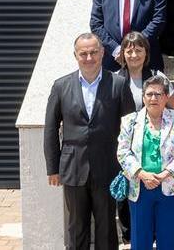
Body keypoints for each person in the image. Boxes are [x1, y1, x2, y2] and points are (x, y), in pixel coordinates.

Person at [43, 33, 134, 250]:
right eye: (83, 53)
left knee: (106, 228)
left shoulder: (119, 84)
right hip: (73, 167)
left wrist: (128, 165)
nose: (89, 57)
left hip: (109, 167)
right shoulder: (60, 86)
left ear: (102, 53)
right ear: (75, 55)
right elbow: (50, 129)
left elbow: (131, 128)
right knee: (76, 228)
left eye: (94, 52)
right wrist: (53, 168)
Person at [115, 71, 174, 250]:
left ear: (165, 97)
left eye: (158, 94)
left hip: (170, 185)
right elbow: (123, 152)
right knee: (140, 239)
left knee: (169, 238)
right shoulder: (130, 121)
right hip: (140, 186)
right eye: (149, 94)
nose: (153, 98)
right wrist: (142, 174)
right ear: (143, 97)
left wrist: (164, 174)